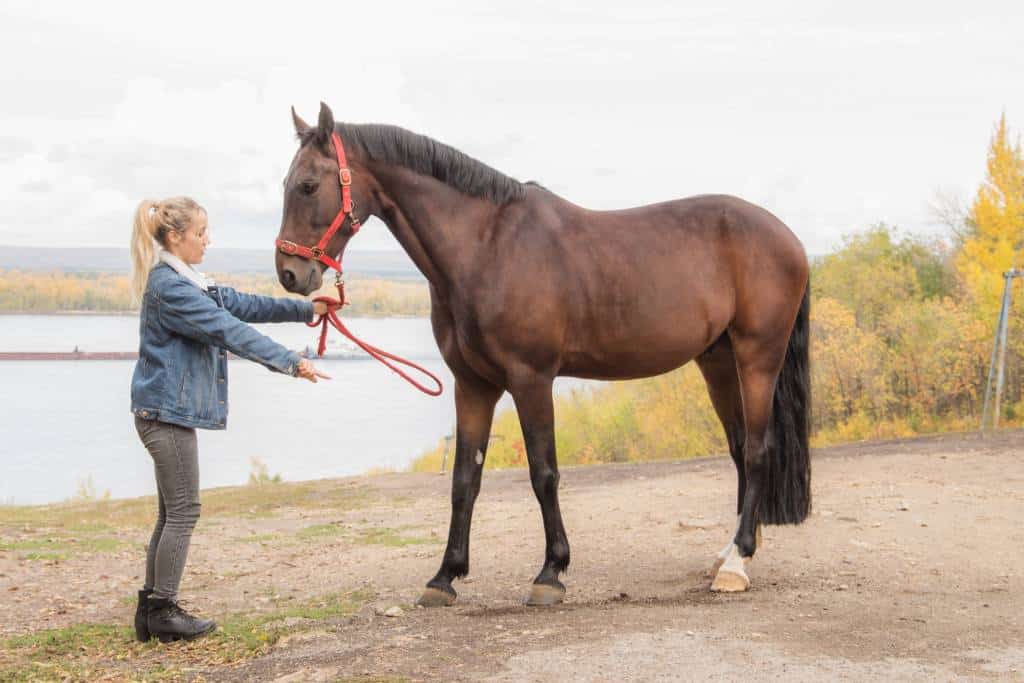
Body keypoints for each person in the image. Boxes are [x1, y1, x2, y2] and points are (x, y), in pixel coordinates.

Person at [128, 196, 330, 643]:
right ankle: (163, 610)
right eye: (201, 234)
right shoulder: (172, 288)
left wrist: (307, 308)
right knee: (184, 511)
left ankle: (151, 610)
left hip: (163, 413)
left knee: (170, 513)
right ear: (176, 237)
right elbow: (228, 330)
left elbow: (241, 305)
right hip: (164, 415)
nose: (208, 240)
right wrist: (290, 362)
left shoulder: (187, 281)